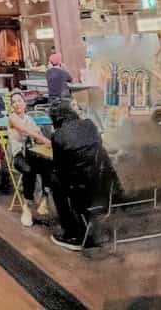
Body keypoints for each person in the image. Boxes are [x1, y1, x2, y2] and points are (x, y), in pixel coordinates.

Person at [47, 104, 120, 250]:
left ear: (55, 119)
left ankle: (71, 233)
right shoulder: (89, 124)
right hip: (103, 184)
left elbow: (60, 168)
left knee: (55, 183)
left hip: (81, 189)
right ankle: (91, 224)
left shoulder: (58, 135)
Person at [8, 90, 54, 226]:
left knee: (48, 162)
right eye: (14, 102)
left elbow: (37, 135)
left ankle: (45, 198)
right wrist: (45, 140)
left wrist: (49, 142)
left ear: (24, 103)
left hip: (31, 153)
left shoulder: (29, 119)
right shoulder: (12, 117)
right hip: (18, 156)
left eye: (19, 101)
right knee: (28, 170)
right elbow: (26, 130)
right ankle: (27, 207)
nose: (16, 104)